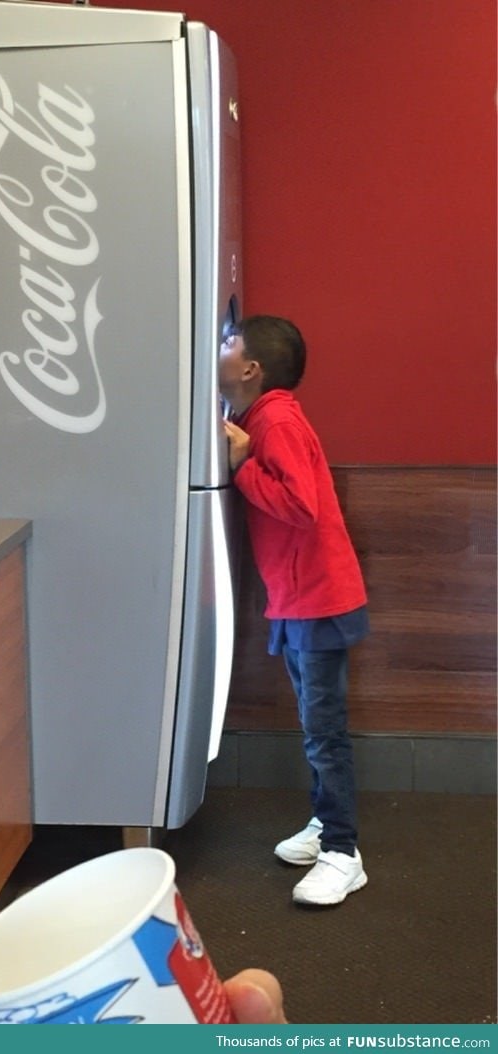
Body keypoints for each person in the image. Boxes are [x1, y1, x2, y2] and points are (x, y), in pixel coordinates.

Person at [220, 315, 370, 907]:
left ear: (252, 369)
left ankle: (342, 850)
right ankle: (323, 822)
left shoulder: (275, 418)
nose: (222, 347)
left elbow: (300, 507)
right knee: (316, 727)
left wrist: (242, 464)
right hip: (298, 599)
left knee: (323, 733)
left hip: (319, 601)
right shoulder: (256, 416)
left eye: (230, 343)